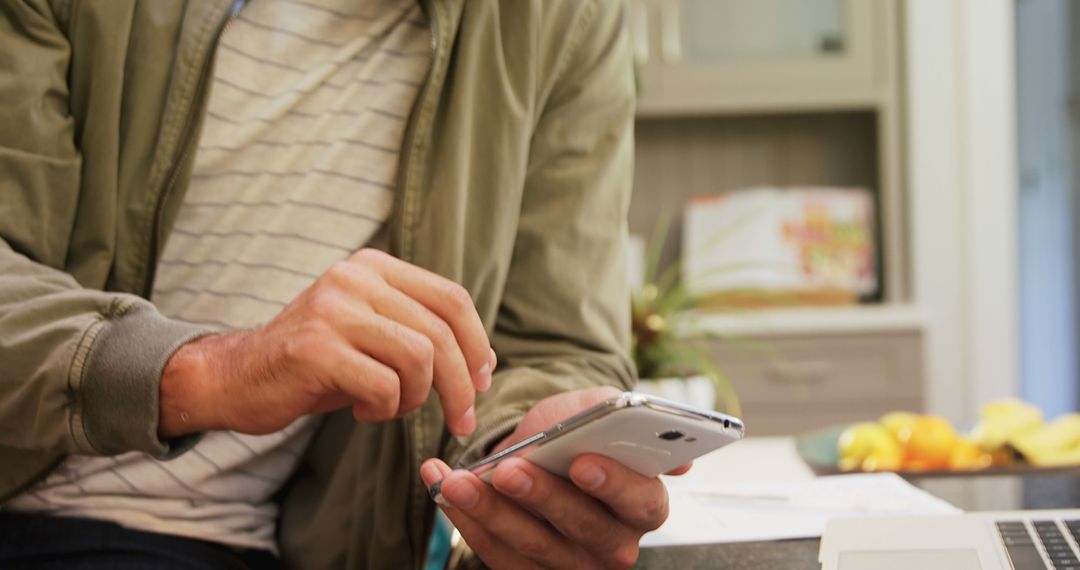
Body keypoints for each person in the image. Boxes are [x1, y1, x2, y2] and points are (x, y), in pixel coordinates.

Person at [0, 0, 684, 568]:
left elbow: (552, 344)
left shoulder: (562, 19)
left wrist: (522, 449)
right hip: (44, 510)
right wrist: (218, 371)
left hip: (294, 546)